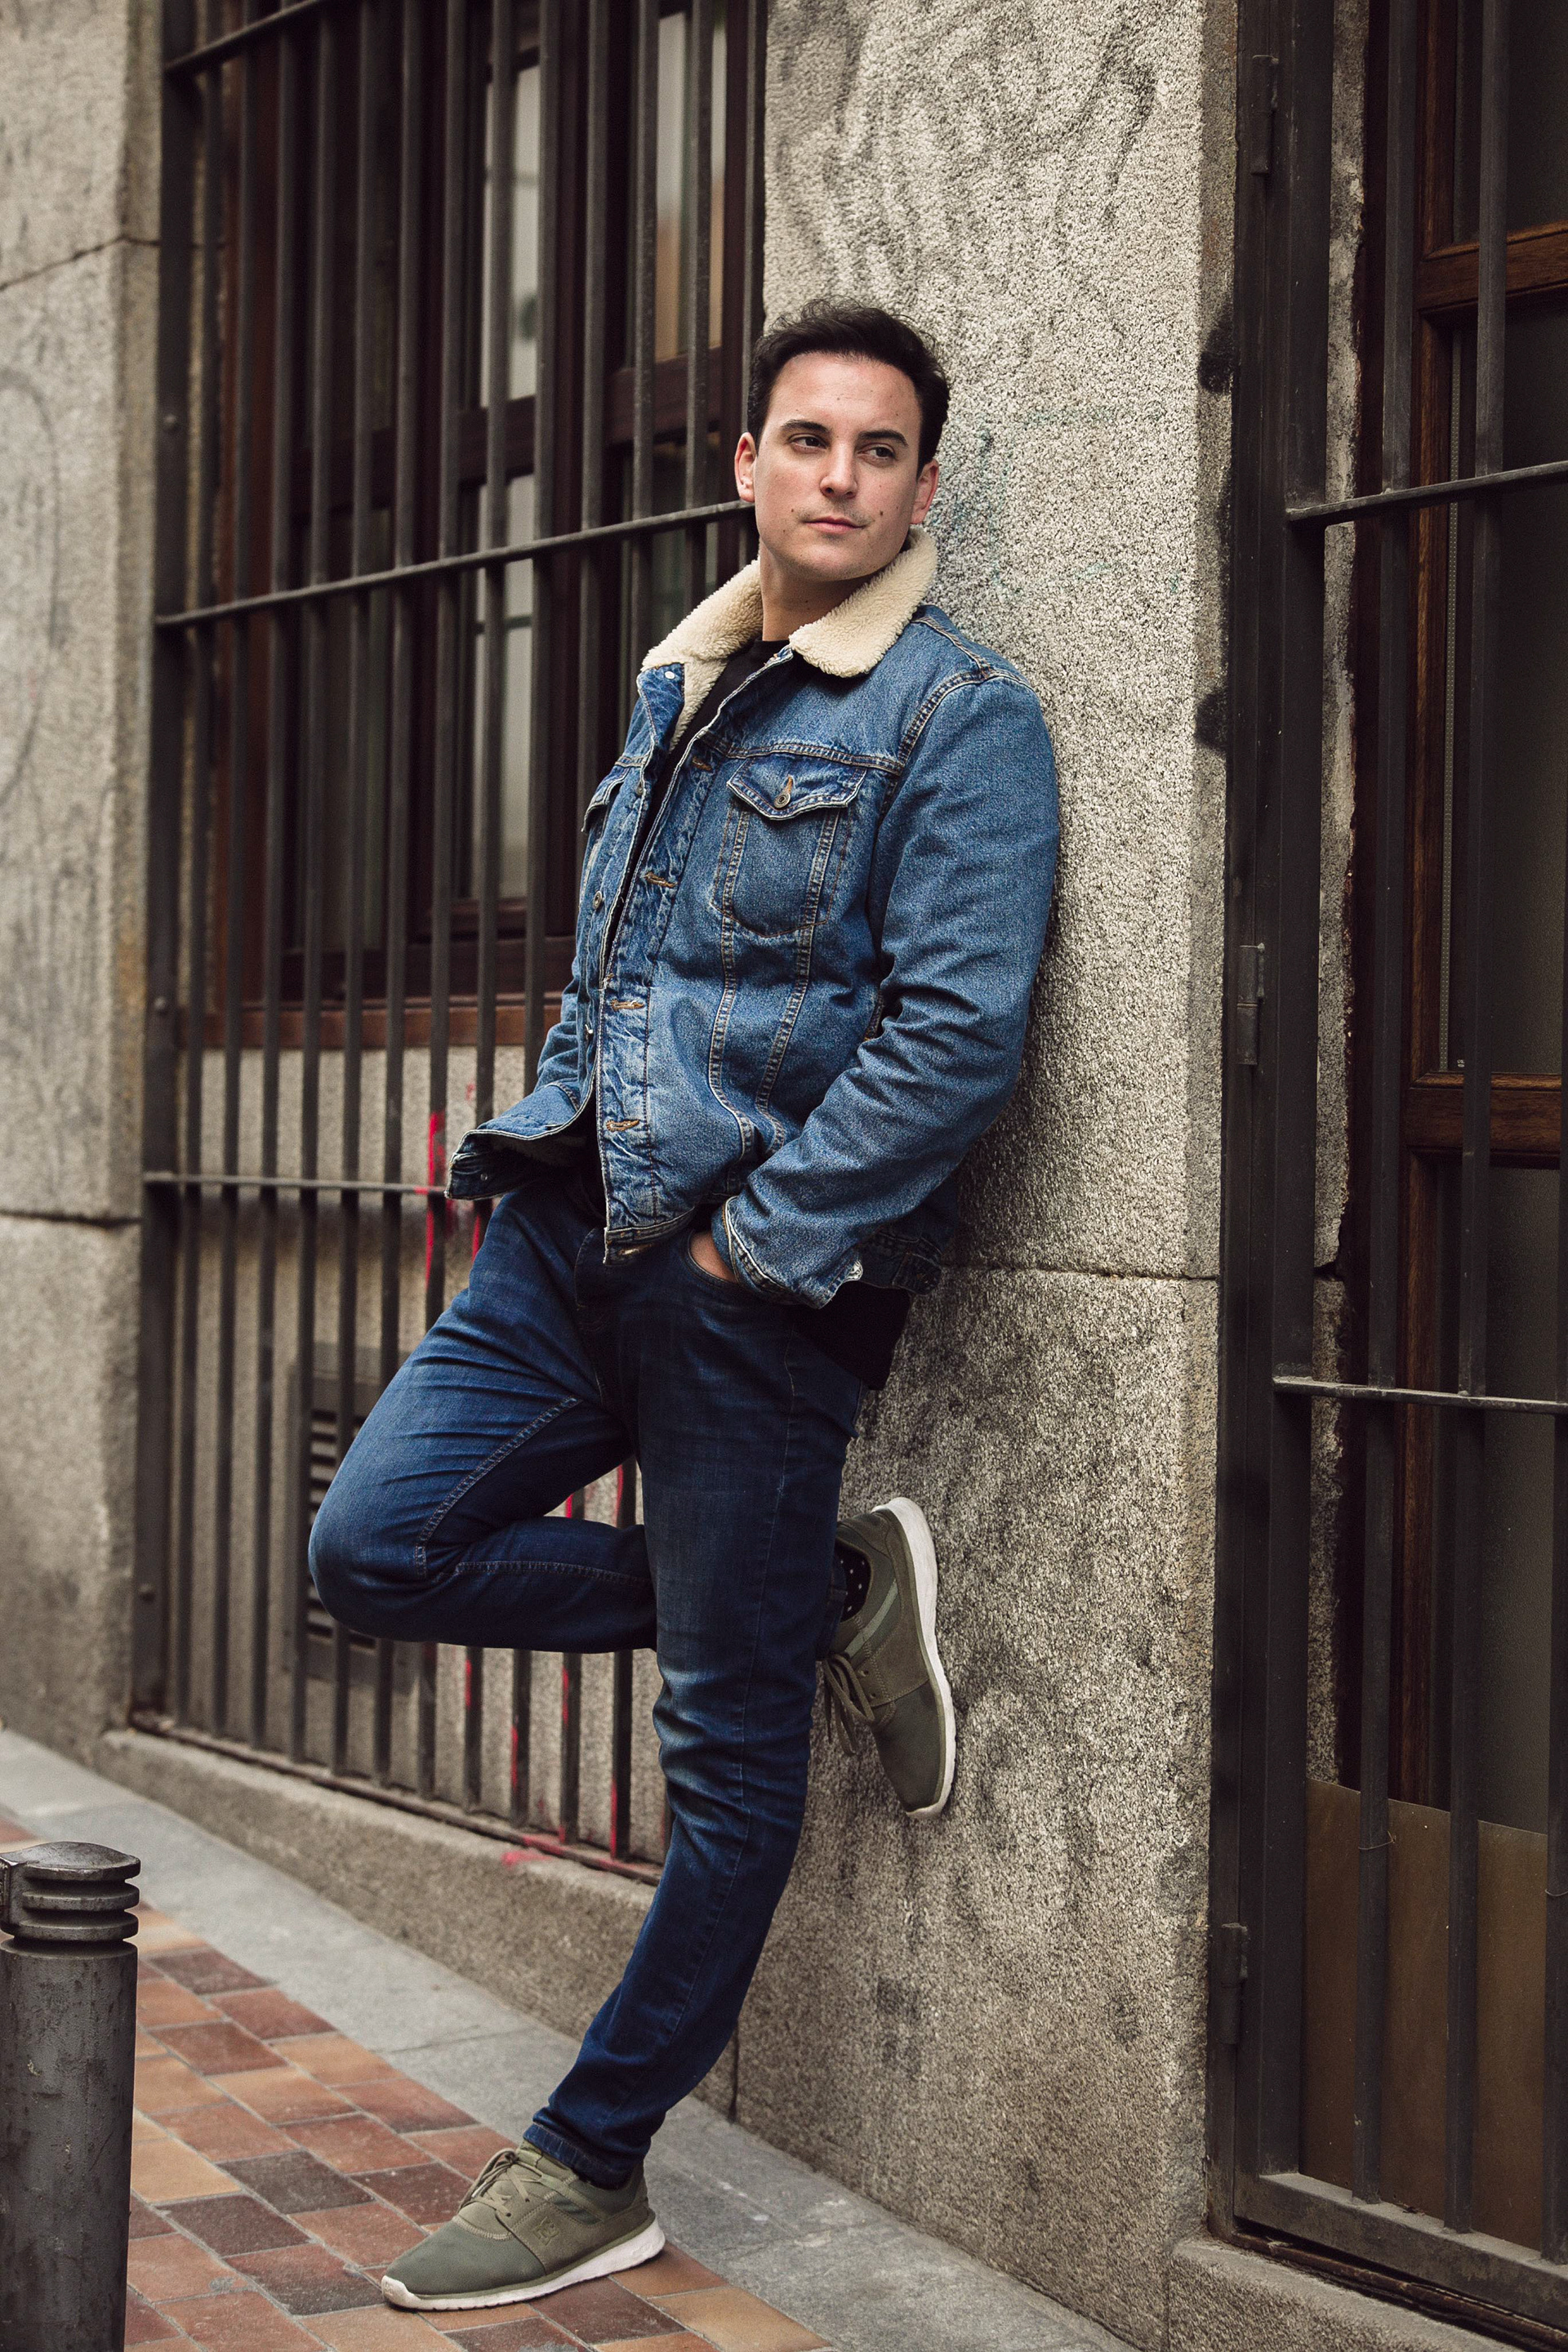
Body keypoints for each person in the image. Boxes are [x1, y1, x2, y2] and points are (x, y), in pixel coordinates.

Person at [310, 300, 1059, 2315]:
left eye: (879, 449)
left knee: (727, 1763)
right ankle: (817, 1596)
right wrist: (553, 1141)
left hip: (754, 1291)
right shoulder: (684, 677)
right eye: (807, 438)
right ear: (746, 461)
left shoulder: (957, 719)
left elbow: (959, 1034)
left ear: (922, 484)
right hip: (562, 1250)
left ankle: (591, 2161)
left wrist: (761, 1242)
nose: (839, 476)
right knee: (374, 1549)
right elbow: (616, 974)